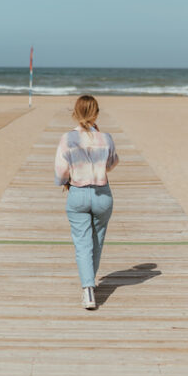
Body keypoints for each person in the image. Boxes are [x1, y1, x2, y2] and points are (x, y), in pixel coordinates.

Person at [54, 95, 119, 309]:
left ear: (75, 112)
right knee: (97, 240)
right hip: (102, 193)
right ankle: (91, 282)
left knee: (82, 242)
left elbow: (61, 170)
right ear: (96, 113)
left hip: (78, 193)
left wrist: (64, 181)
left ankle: (88, 289)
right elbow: (111, 163)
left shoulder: (68, 138)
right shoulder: (105, 138)